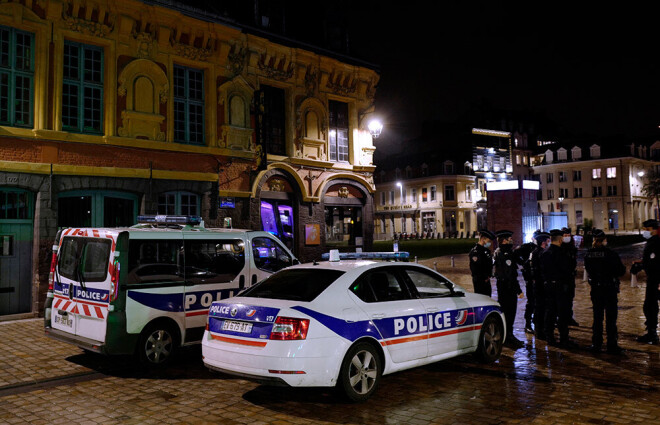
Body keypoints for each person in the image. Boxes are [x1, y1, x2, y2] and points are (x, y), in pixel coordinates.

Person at [584, 229, 626, 354]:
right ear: (604, 240)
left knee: (597, 317)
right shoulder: (611, 254)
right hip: (609, 289)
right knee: (611, 318)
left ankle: (596, 344)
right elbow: (621, 271)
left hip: (596, 289)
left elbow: (589, 271)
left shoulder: (589, 254)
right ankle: (611, 345)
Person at [541, 229, 576, 348]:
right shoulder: (562, 253)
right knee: (562, 313)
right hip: (560, 286)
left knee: (550, 312)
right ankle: (564, 339)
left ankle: (550, 337)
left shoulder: (545, 252)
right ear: (560, 239)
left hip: (548, 285)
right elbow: (568, 269)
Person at [494, 230, 524, 348]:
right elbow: (509, 275)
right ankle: (507, 337)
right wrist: (518, 290)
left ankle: (508, 335)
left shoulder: (503, 252)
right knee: (509, 313)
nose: (511, 240)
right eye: (509, 238)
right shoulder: (504, 254)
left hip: (504, 287)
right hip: (507, 288)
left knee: (509, 313)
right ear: (504, 240)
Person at [634, 219, 660, 344]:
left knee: (650, 306)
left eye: (647, 229)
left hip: (656, 280)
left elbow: (655, 262)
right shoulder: (652, 241)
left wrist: (643, 265)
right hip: (653, 279)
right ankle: (651, 332)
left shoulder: (656, 242)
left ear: (654, 230)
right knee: (650, 306)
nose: (645, 232)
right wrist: (641, 265)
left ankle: (652, 334)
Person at [515, 232, 538, 334]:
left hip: (539, 280)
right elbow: (515, 254)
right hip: (529, 279)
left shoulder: (542, 249)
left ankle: (537, 322)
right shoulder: (527, 247)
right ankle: (528, 324)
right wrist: (523, 264)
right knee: (531, 302)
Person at [530, 231, 551, 339]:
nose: (548, 242)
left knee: (541, 307)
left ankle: (540, 329)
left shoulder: (537, 252)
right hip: (540, 284)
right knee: (540, 307)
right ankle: (540, 330)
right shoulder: (540, 253)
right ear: (543, 242)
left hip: (539, 283)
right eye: (547, 240)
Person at [561, 227, 580, 327]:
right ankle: (561, 318)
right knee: (562, 299)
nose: (567, 237)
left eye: (568, 235)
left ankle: (569, 317)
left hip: (570, 277)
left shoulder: (572, 248)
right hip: (562, 278)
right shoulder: (559, 248)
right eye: (565, 236)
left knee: (570, 298)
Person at [469, 230, 495, 297]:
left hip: (486, 280)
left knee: (488, 298)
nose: (490, 243)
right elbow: (475, 269)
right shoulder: (475, 252)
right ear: (483, 239)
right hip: (480, 281)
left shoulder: (486, 251)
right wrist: (484, 277)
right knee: (481, 299)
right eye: (488, 241)